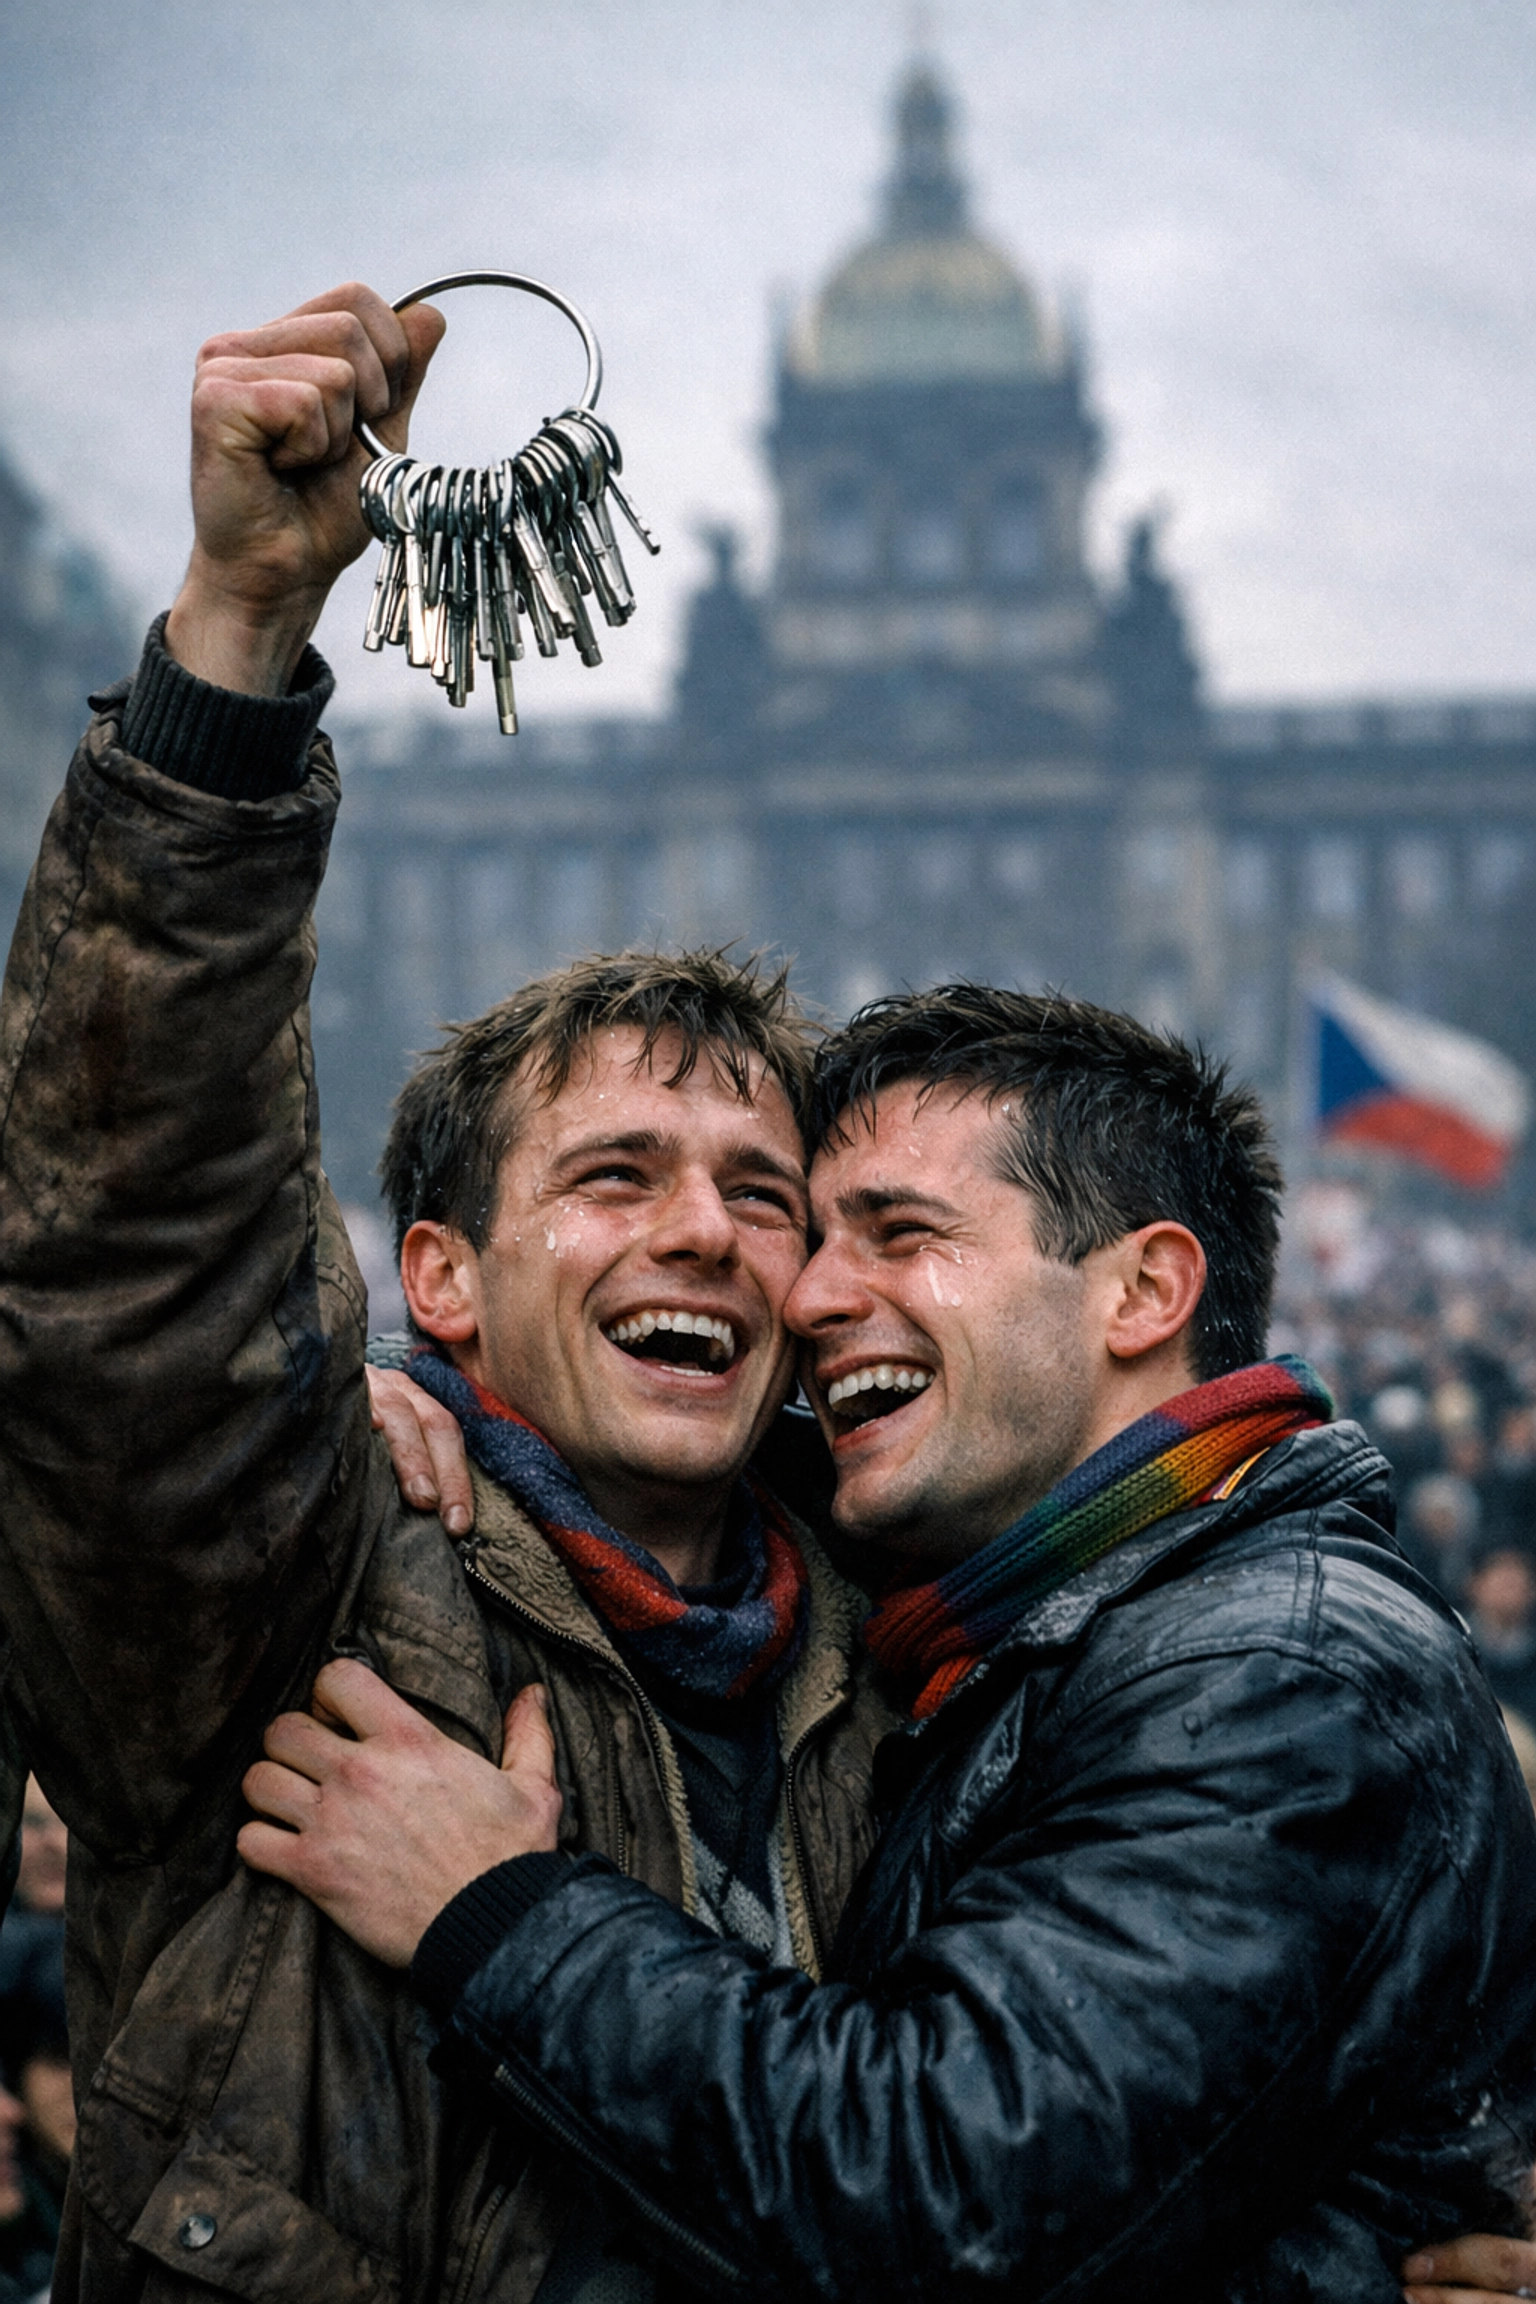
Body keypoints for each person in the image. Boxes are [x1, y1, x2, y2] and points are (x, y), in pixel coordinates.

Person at [0, 281, 891, 2304]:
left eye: (764, 1192)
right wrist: (234, 646)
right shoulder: (295, 1613)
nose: (703, 1230)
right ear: (443, 1281)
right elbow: (134, 1267)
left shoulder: (934, 1651)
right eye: (614, 1173)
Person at [242, 985, 1536, 2301]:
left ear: (1145, 1291)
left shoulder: (1279, 1671)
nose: (805, 1296)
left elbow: (954, 2195)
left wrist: (497, 1912)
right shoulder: (1005, 1616)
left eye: (901, 1234)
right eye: (813, 1237)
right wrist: (389, 1393)